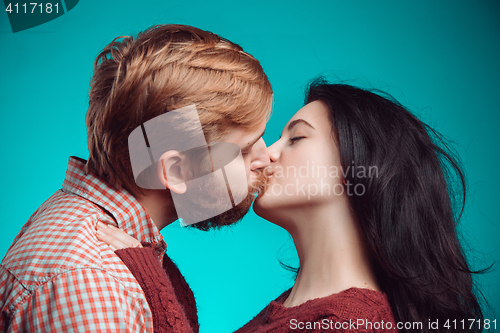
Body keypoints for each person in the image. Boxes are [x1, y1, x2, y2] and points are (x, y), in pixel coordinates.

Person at [97, 79, 486, 333]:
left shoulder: (349, 325)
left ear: (356, 168)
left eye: (296, 138)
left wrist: (146, 269)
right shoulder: (292, 310)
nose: (266, 153)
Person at [0, 24, 272, 332]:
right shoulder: (94, 284)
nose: (266, 157)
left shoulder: (86, 233)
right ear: (177, 171)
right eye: (245, 150)